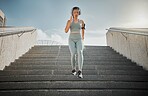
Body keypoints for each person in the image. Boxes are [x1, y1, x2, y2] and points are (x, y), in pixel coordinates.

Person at [65, 6, 85, 78]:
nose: (76, 13)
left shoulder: (81, 21)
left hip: (79, 39)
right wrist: (69, 22)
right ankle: (73, 69)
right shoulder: (69, 21)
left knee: (80, 52)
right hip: (71, 39)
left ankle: (80, 71)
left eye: (77, 12)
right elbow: (66, 31)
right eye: (74, 12)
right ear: (72, 13)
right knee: (73, 53)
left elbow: (83, 30)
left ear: (79, 13)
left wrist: (83, 38)